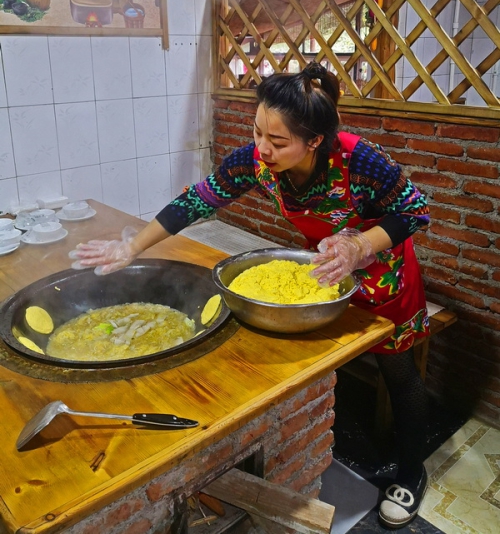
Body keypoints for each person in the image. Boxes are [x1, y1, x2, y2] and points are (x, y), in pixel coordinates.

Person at [70, 62, 430, 529]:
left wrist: (360, 244)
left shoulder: (360, 160)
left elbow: (416, 210)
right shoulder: (257, 162)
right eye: (257, 131)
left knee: (397, 371)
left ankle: (410, 471)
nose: (262, 149)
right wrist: (131, 245)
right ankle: (322, 444)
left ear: (315, 141)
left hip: (384, 278)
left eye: (277, 141)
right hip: (319, 275)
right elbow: (199, 199)